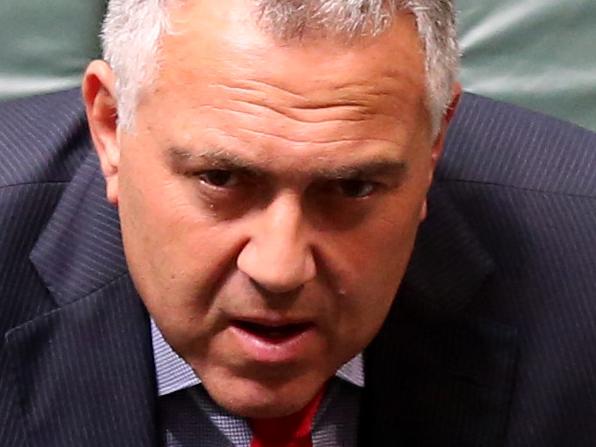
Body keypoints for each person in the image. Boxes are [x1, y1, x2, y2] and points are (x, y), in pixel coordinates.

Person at [1, 0, 595, 446]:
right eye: (222, 179)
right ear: (111, 128)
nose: (279, 270)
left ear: (434, 141)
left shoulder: (581, 266)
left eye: (352, 187)